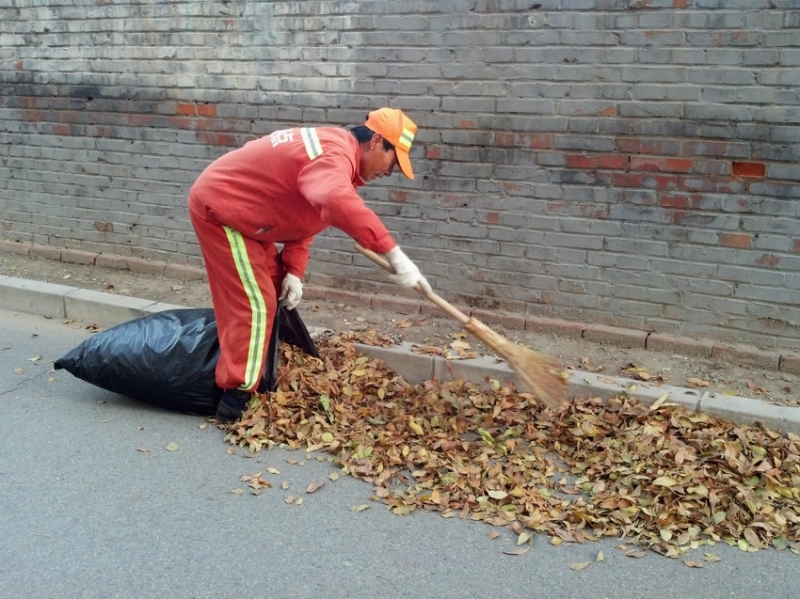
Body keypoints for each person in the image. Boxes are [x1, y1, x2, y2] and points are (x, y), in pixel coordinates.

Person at [187, 108, 431, 423]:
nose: (391, 172)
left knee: (274, 291)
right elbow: (333, 200)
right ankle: (236, 398)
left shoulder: (338, 159)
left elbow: (305, 218)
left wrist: (293, 273)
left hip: (251, 218)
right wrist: (393, 253)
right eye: (393, 161)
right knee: (257, 304)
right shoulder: (334, 155)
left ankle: (260, 360)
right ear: (377, 141)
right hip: (222, 211)